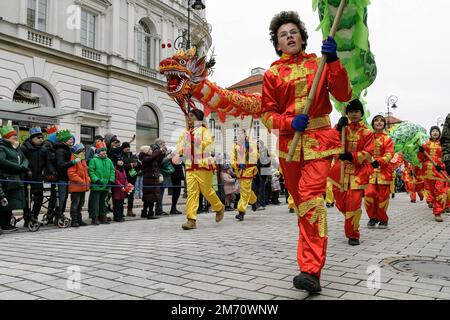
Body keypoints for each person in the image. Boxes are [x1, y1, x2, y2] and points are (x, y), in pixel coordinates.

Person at [260, 11, 352, 293]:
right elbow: (267, 114)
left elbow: (344, 94)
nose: (289, 37)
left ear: (302, 37)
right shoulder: (273, 73)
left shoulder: (319, 62)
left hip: (319, 143)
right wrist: (288, 122)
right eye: (283, 35)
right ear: (277, 44)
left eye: (293, 32)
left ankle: (311, 270)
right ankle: (310, 259)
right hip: (291, 146)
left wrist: (334, 61)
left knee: (312, 202)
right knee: (302, 207)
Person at [329, 99, 374, 245]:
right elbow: (330, 141)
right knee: (341, 203)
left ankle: (353, 234)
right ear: (347, 113)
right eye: (351, 112)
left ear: (361, 113)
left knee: (354, 203)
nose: (353, 114)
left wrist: (351, 156)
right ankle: (350, 218)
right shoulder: (342, 128)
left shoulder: (367, 132)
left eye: (356, 111)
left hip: (358, 173)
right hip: (340, 172)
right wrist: (337, 129)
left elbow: (368, 153)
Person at [177, 109, 225, 230]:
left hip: (203, 164)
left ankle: (219, 207)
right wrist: (180, 151)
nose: (189, 118)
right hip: (190, 166)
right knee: (192, 193)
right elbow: (180, 147)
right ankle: (191, 219)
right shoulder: (185, 132)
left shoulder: (204, 130)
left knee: (206, 191)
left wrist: (195, 141)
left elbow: (208, 144)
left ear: (198, 117)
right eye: (188, 116)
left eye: (191, 116)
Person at [363, 115, 394, 229]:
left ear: (384, 124)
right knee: (369, 194)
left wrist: (380, 161)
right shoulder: (368, 137)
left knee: (382, 197)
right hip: (369, 171)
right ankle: (372, 217)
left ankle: (383, 219)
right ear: (373, 123)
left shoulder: (387, 139)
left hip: (384, 171)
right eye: (376, 120)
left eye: (382, 121)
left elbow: (389, 154)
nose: (379, 122)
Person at [20, 127, 51, 226]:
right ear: (32, 138)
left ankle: (34, 217)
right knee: (28, 199)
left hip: (38, 178)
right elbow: (22, 161)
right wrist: (27, 170)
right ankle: (27, 219)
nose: (41, 139)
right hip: (27, 178)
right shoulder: (24, 147)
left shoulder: (43, 149)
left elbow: (47, 163)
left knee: (39, 198)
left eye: (42, 137)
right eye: (38, 137)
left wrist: (52, 172)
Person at [0, 125, 29, 232]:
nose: (16, 138)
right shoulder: (2, 147)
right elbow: (2, 161)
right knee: (5, 203)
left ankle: (7, 224)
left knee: (11, 203)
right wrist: (18, 168)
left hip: (15, 179)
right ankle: (4, 225)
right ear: (7, 137)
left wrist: (23, 167)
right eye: (13, 137)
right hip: (6, 179)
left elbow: (25, 159)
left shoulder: (16, 148)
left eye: (16, 136)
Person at [418, 126, 447, 222]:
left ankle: (438, 213)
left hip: (440, 172)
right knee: (431, 192)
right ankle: (436, 207)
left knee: (439, 190)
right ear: (430, 133)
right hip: (428, 172)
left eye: (437, 131)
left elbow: (446, 157)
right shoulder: (426, 144)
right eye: (433, 131)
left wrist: (442, 166)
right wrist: (421, 151)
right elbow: (421, 159)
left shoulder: (443, 145)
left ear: (439, 133)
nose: (435, 132)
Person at [232, 129, 258, 221]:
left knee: (244, 191)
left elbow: (255, 157)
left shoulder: (251, 144)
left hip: (248, 170)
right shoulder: (235, 146)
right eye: (238, 134)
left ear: (245, 135)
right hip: (240, 171)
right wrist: (236, 166)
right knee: (246, 190)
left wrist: (249, 150)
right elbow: (233, 158)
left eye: (241, 134)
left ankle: (241, 211)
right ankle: (254, 200)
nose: (239, 136)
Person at [88, 141, 115, 225]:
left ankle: (103, 216)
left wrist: (111, 181)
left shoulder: (109, 160)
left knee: (104, 202)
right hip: (97, 185)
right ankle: (94, 217)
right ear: (98, 152)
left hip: (106, 185)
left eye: (105, 151)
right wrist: (96, 180)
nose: (104, 152)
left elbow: (112, 171)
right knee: (95, 203)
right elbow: (91, 171)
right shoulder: (93, 160)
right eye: (102, 151)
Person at [54, 129, 77, 224]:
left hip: (66, 178)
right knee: (61, 198)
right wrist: (73, 162)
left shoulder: (67, 149)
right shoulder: (60, 151)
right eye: (69, 139)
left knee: (64, 197)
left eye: (72, 139)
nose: (72, 140)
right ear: (64, 140)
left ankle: (61, 214)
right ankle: (58, 215)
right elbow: (60, 165)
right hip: (61, 178)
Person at [67, 143, 90, 227]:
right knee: (75, 204)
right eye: (82, 151)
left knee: (81, 204)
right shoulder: (74, 159)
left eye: (84, 150)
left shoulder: (82, 160)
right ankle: (74, 220)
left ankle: (79, 219)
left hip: (83, 186)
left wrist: (88, 180)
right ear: (78, 152)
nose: (84, 152)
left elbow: (86, 173)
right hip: (76, 186)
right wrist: (81, 181)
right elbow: (71, 173)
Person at [141, 144, 164, 219]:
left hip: (153, 179)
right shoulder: (144, 158)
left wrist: (162, 154)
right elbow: (151, 158)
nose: (151, 151)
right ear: (146, 151)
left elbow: (158, 161)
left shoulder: (150, 157)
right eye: (150, 150)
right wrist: (159, 151)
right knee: (149, 197)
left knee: (151, 197)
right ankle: (149, 213)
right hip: (149, 180)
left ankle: (145, 212)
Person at [121, 142, 140, 217]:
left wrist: (137, 165)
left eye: (129, 147)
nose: (128, 148)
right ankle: (120, 211)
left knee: (131, 195)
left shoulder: (133, 155)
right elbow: (120, 166)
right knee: (122, 196)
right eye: (126, 147)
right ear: (123, 148)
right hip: (123, 179)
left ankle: (130, 211)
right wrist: (130, 165)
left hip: (132, 179)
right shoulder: (120, 156)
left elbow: (139, 165)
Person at [112, 157, 128, 222]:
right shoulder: (115, 170)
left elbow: (125, 178)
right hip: (117, 190)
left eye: (122, 160)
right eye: (119, 161)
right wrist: (121, 186)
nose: (121, 162)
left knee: (121, 203)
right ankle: (116, 217)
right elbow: (115, 180)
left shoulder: (123, 170)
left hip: (123, 190)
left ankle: (121, 215)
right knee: (117, 204)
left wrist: (126, 185)